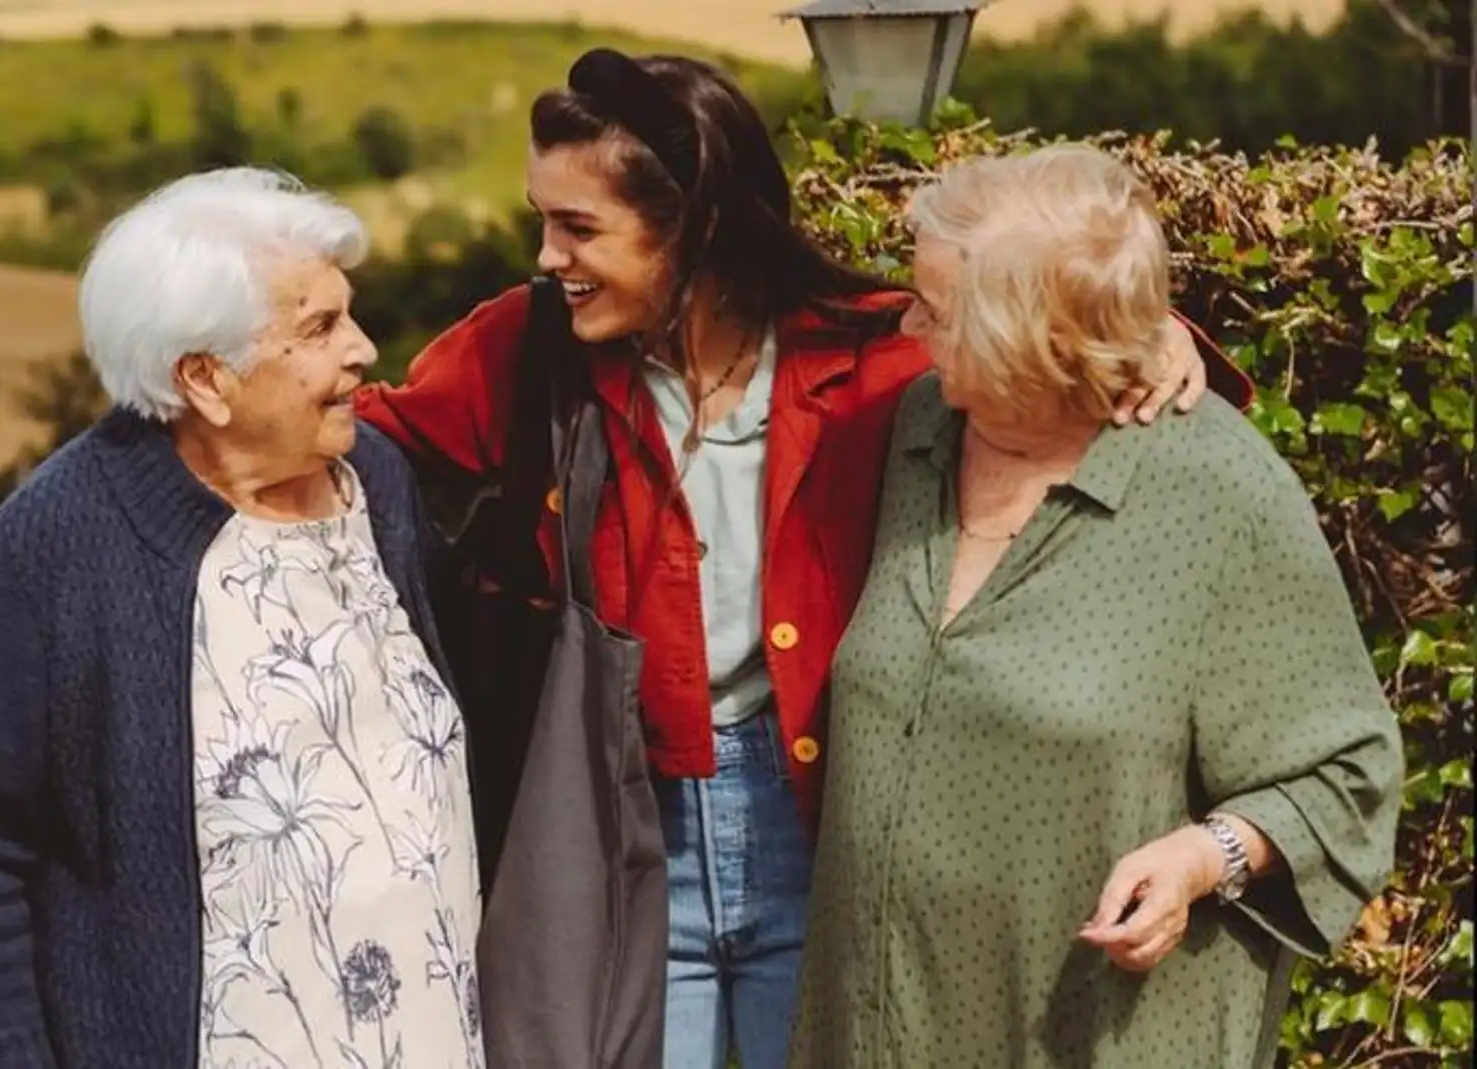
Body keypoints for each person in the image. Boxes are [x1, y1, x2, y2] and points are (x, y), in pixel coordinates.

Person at [354, 48, 1248, 1069]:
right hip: (616, 831)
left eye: (578, 227)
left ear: (693, 224)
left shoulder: (868, 351)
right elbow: (365, 438)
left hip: (825, 835)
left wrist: (1160, 336)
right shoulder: (531, 346)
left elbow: (1036, 340)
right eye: (542, 219)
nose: (548, 255)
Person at [786, 144, 1403, 1069]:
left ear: (1028, 340)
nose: (908, 323)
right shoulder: (915, 429)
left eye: (939, 312)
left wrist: (1206, 858)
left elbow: (1347, 773)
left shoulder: (1216, 490)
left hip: (1095, 1035)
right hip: (879, 1027)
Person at [0, 168, 485, 1069]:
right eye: (320, 328)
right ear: (206, 378)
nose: (365, 349)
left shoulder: (376, 482)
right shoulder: (56, 545)